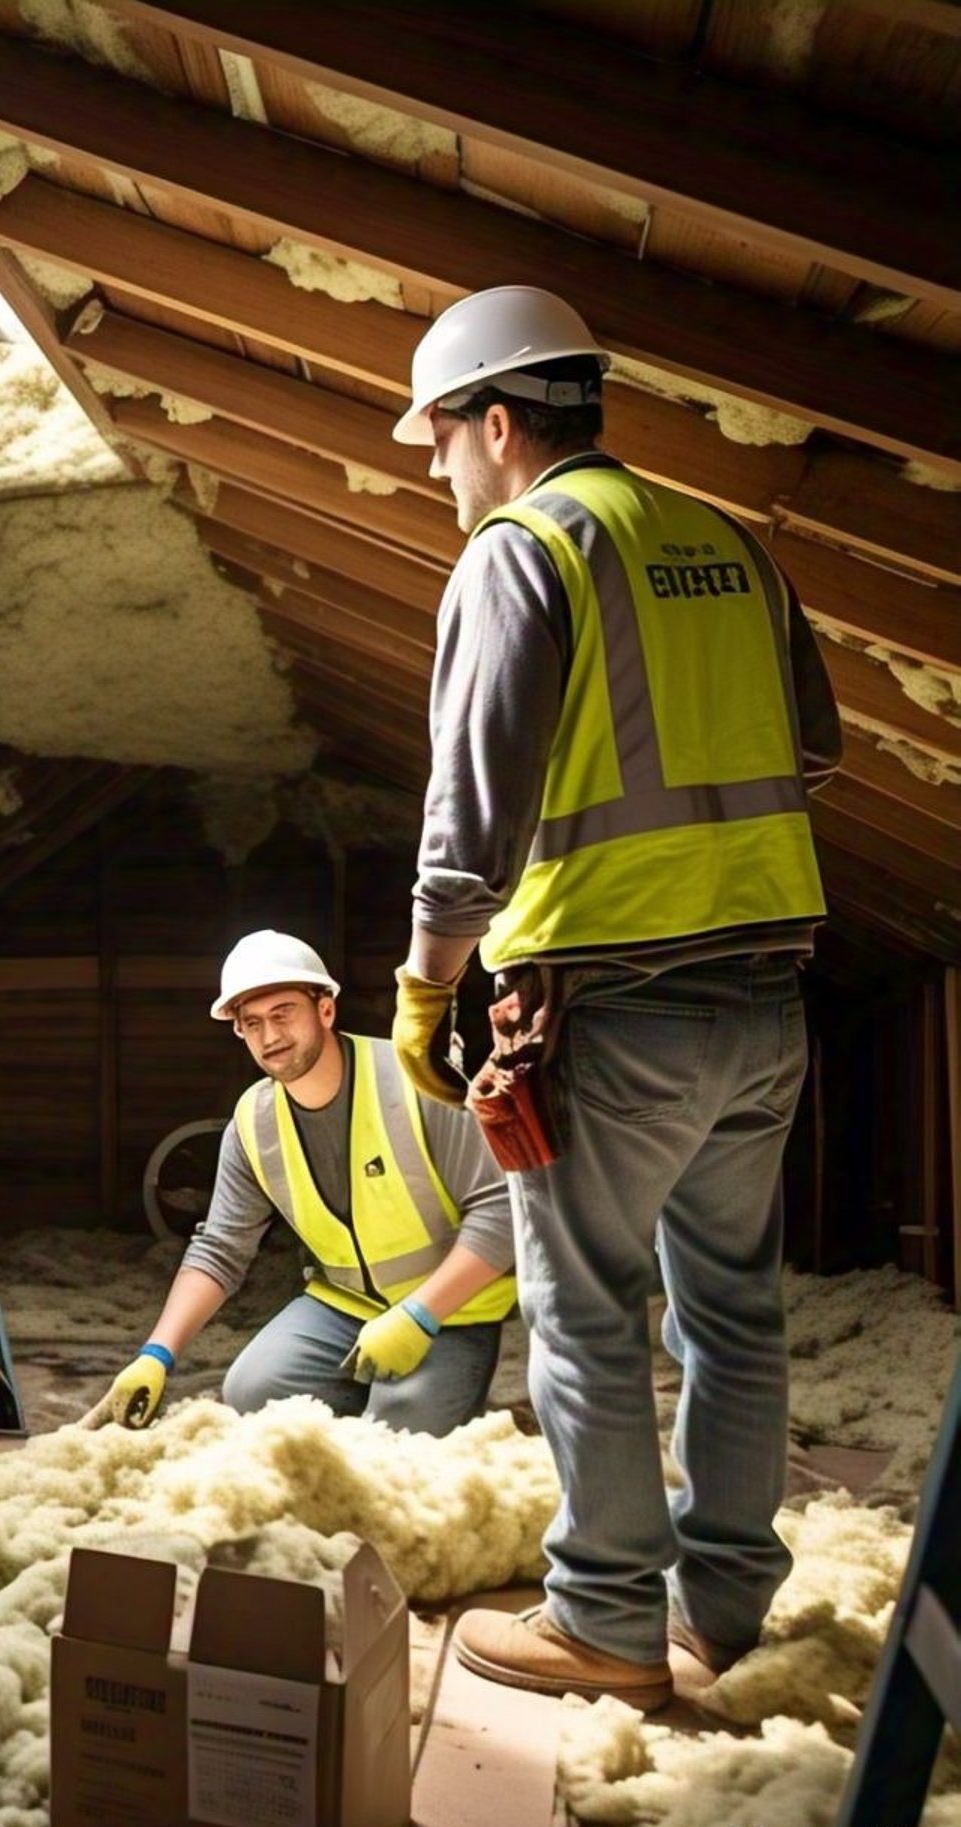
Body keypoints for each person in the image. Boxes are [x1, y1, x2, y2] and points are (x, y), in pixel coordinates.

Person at [387, 286, 842, 1709]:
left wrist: (424, 986)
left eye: (442, 439)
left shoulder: (523, 552)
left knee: (587, 1316)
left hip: (612, 1009)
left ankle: (606, 1627)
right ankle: (727, 1609)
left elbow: (472, 824)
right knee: (732, 1316)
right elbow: (812, 750)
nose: (438, 468)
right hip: (766, 1003)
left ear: (501, 423)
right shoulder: (727, 543)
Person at [106, 931, 515, 1436]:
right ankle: (375, 1388)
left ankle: (428, 1390)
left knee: (399, 1438)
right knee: (251, 1392)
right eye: (251, 1023)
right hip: (346, 1309)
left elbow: (501, 1213)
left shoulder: (416, 1082)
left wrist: (419, 1315)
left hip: (449, 1311)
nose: (269, 1035)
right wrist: (156, 1354)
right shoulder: (255, 1124)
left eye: (283, 1013)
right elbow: (220, 1249)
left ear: (325, 1009)